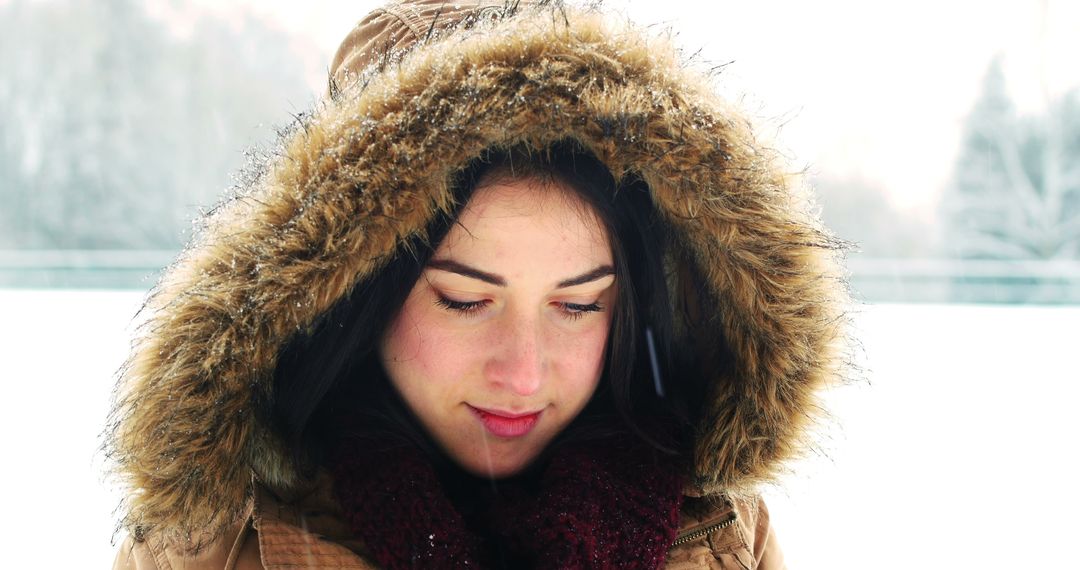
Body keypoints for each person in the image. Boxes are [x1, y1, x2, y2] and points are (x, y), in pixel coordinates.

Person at [108, 1, 850, 568]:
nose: (523, 372)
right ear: (350, 294)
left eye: (579, 304)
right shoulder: (212, 547)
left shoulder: (722, 537)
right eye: (464, 300)